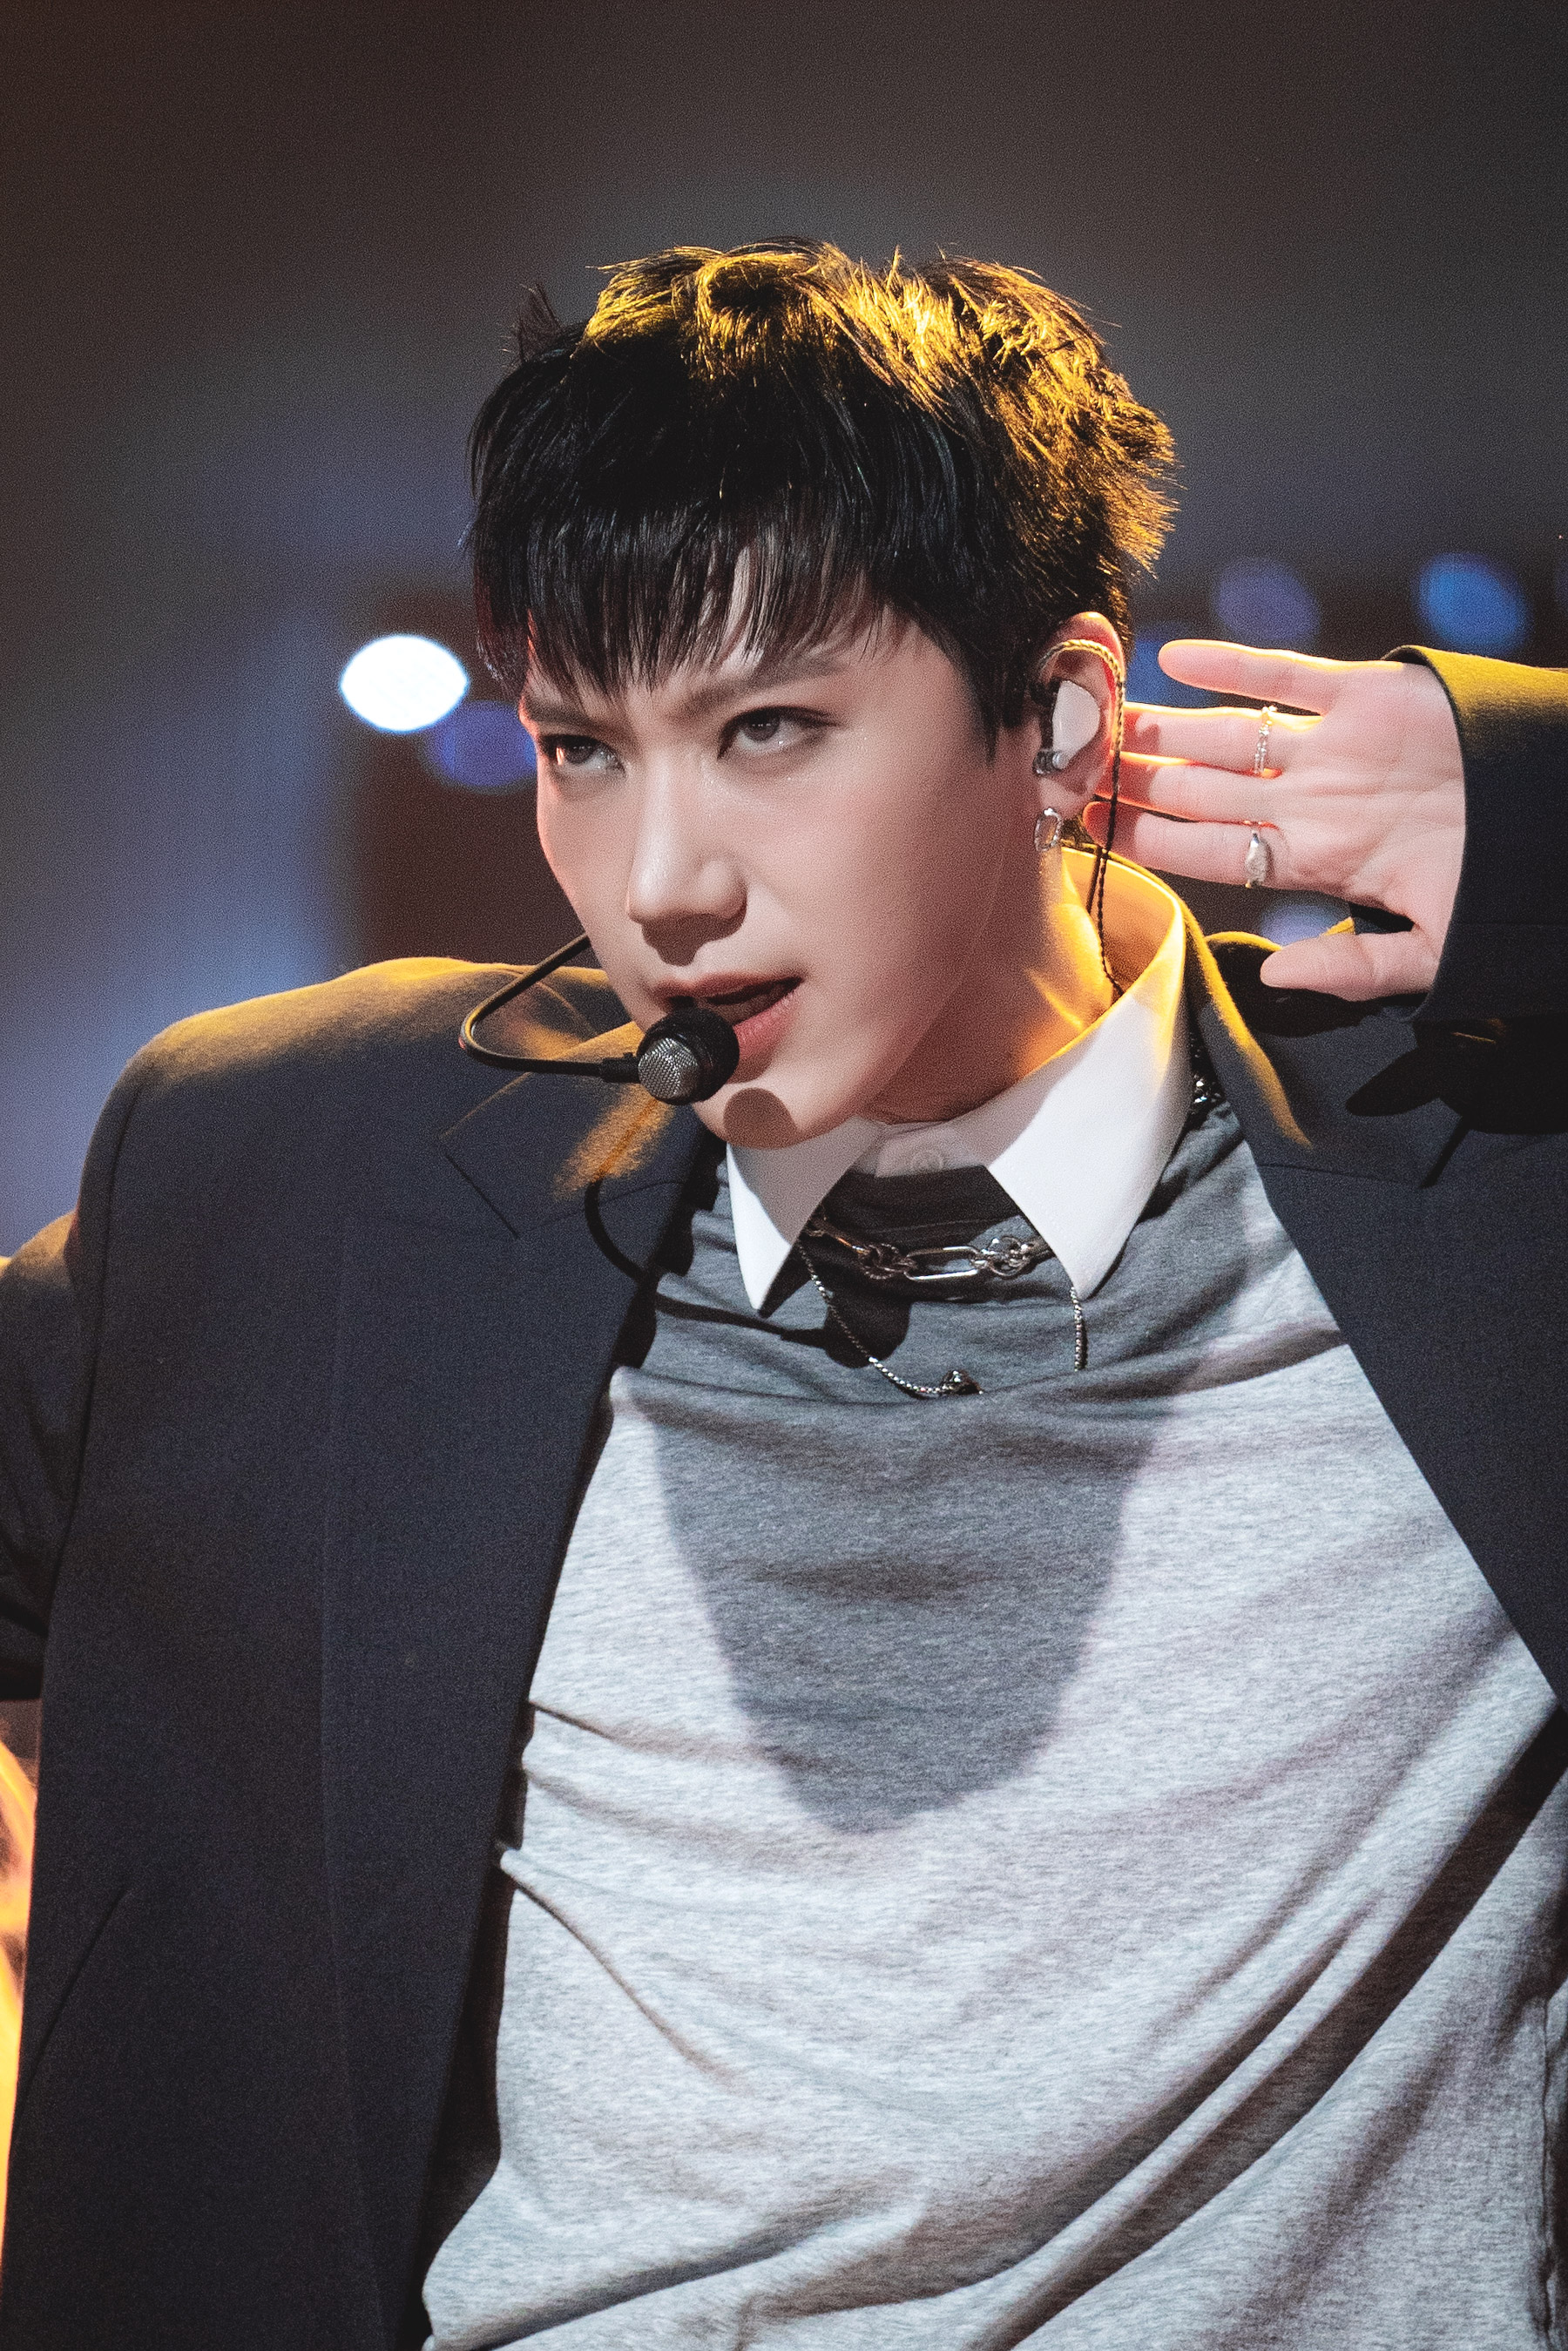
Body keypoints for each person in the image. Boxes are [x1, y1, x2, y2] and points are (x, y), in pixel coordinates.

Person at [0, 239, 1563, 2351]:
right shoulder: (297, 1184)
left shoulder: (1493, 1192)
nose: (661, 884)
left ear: (1062, 715)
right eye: (582, 750)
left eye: (769, 730)